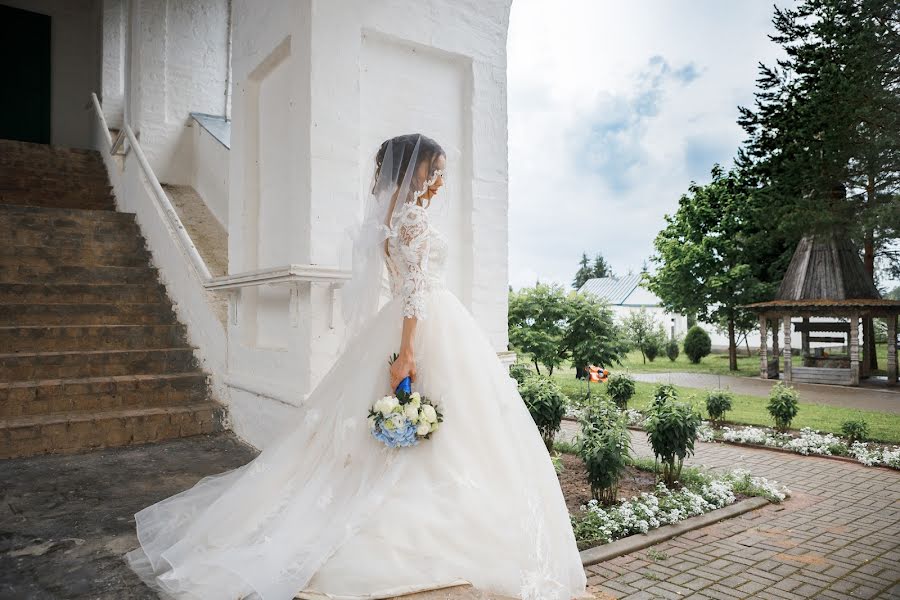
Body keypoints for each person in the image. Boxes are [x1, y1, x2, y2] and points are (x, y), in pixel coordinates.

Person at [123, 133, 589, 600]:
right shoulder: (412, 219)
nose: (439, 182)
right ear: (415, 170)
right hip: (423, 327)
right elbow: (415, 290)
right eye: (435, 171)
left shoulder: (390, 217)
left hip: (415, 322)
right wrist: (407, 354)